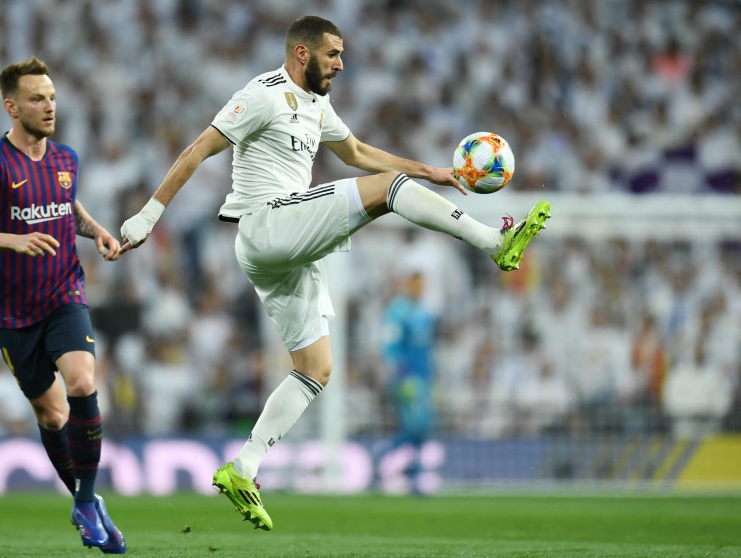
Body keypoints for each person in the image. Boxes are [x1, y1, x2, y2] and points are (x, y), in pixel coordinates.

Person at [120, 16, 550, 531]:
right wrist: (148, 215)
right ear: (302, 54)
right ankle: (495, 242)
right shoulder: (262, 94)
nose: (341, 64)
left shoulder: (317, 104)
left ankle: (243, 467)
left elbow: (358, 153)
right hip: (267, 223)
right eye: (333, 54)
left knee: (315, 368)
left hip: (286, 248)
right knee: (386, 190)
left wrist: (432, 171)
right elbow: (197, 150)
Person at [0, 57, 125, 553]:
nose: (49, 106)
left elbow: (66, 206)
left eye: (51, 97)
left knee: (83, 381)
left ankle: (87, 500)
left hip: (64, 295)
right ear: (11, 106)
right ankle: (87, 500)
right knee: (51, 418)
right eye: (36, 98)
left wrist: (96, 232)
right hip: (13, 314)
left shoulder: (66, 159)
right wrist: (15, 240)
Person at [380, 269, 436, 494]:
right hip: (407, 378)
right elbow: (390, 346)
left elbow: (426, 349)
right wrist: (401, 374)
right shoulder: (398, 312)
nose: (419, 289)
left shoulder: (424, 313)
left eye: (422, 285)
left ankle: (413, 474)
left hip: (423, 377)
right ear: (408, 286)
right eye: (415, 285)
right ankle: (383, 458)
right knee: (416, 426)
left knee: (423, 428)